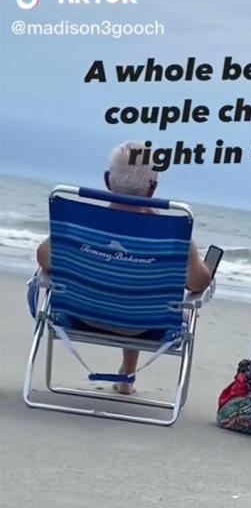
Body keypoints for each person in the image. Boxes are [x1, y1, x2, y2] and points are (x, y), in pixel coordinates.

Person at [31, 141, 212, 394]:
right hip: (145, 327)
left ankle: (126, 372)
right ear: (153, 188)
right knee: (144, 295)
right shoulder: (172, 238)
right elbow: (198, 284)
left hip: (78, 316)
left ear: (107, 181)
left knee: (118, 281)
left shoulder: (81, 226)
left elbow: (45, 259)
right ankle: (127, 375)